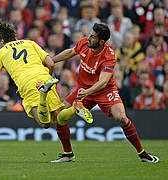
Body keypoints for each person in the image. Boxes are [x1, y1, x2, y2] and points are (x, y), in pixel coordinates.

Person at [0, 20, 93, 160]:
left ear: (1, 41)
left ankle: (43, 94)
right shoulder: (29, 43)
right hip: (44, 77)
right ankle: (74, 109)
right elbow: (50, 63)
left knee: (45, 123)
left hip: (28, 84)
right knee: (58, 118)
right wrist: (47, 76)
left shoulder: (0, 54)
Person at [52, 23, 159, 163]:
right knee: (58, 116)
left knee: (121, 118)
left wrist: (87, 92)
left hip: (104, 91)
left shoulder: (109, 56)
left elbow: (103, 81)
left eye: (93, 37)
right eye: (90, 35)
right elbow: (70, 52)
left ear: (101, 42)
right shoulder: (84, 43)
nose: (89, 38)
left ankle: (143, 154)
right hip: (83, 89)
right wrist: (50, 61)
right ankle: (68, 154)